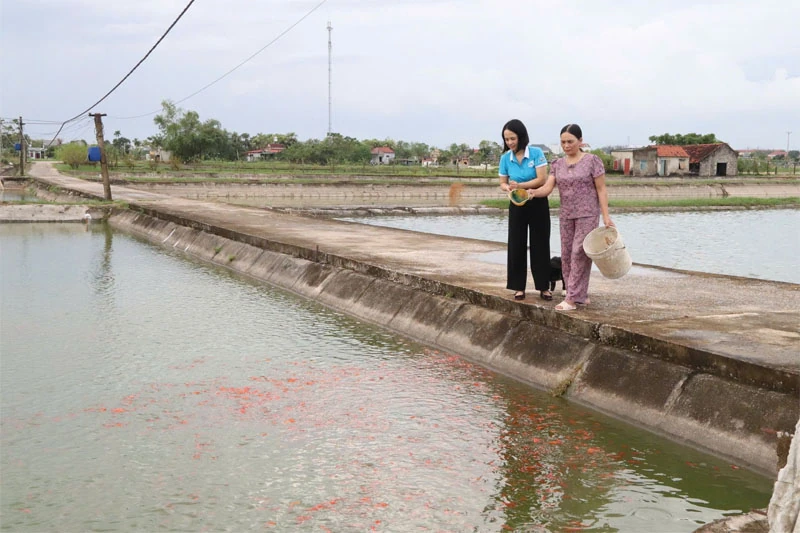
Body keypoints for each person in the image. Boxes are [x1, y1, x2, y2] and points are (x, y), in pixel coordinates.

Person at [526, 123, 614, 311]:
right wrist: (532, 192)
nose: (566, 145)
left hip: (587, 214)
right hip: (566, 215)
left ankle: (572, 298)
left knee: (579, 253)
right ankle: (580, 294)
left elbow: (601, 189)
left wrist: (606, 217)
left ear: (580, 141)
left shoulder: (592, 161)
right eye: (563, 142)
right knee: (566, 255)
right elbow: (548, 187)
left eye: (570, 141)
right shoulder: (557, 164)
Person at [497, 119, 552, 301]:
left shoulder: (536, 153)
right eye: (506, 139)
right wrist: (509, 189)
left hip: (537, 201)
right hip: (517, 203)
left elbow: (541, 179)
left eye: (512, 138)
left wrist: (521, 185)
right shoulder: (505, 158)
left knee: (540, 244)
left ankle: (544, 286)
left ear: (521, 136)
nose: (510, 143)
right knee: (516, 244)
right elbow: (503, 183)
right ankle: (518, 286)